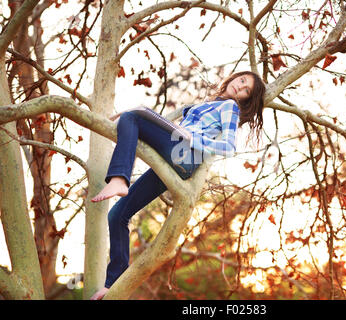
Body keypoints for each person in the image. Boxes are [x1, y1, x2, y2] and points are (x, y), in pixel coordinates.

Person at [89, 71, 266, 300]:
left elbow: (229, 147)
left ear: (245, 99)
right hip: (174, 158)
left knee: (133, 118)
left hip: (185, 153)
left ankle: (119, 178)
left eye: (246, 91)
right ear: (235, 77)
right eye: (242, 81)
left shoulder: (230, 108)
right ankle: (112, 285)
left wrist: (194, 139)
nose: (240, 88)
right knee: (117, 215)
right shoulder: (209, 105)